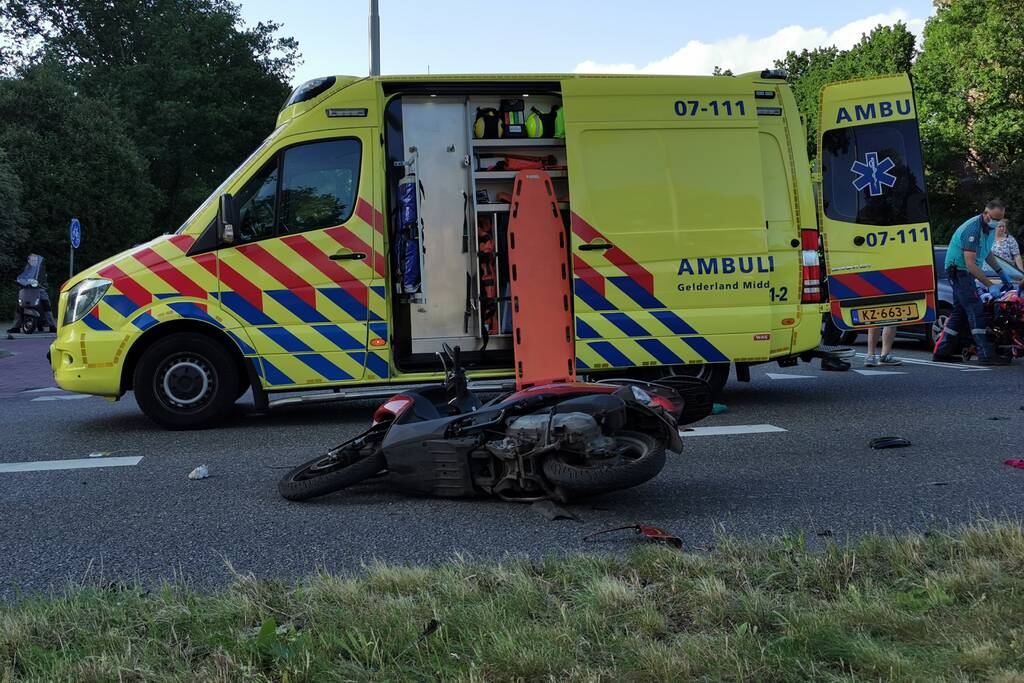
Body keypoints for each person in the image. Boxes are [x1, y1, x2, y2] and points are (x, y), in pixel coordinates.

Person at [932, 200, 1013, 365]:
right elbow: (970, 265)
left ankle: (942, 352)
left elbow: (986, 252)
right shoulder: (973, 229)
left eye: (1001, 219)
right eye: (995, 218)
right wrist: (990, 284)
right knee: (976, 309)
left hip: (963, 271)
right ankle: (985, 355)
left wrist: (1000, 271)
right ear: (985, 213)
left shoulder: (989, 228)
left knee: (959, 313)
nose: (998, 222)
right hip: (959, 271)